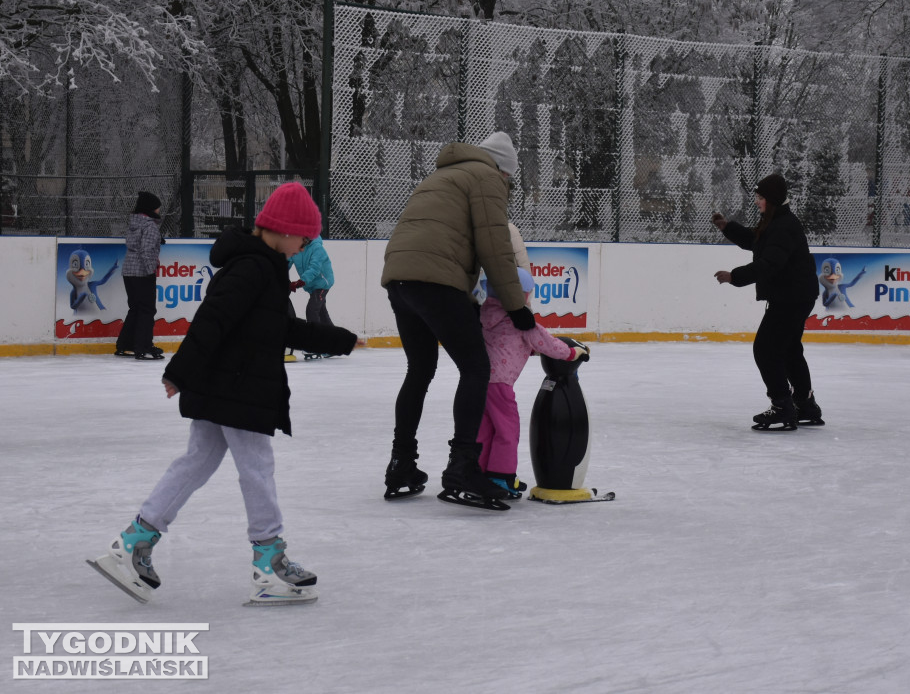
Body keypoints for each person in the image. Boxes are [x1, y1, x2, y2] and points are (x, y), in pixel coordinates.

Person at [88, 182, 359, 605]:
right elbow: (212, 319)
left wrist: (339, 340)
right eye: (302, 238)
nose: (304, 246)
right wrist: (180, 370)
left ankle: (134, 541)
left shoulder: (264, 267)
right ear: (281, 230)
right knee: (256, 467)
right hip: (237, 387)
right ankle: (268, 561)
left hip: (227, 385)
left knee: (197, 461)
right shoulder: (253, 268)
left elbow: (281, 329)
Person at [380, 130, 532, 505]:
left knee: (420, 369)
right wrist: (517, 307)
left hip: (400, 279)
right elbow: (495, 248)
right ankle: (462, 466)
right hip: (434, 282)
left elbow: (438, 238)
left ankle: (402, 463)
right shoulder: (487, 178)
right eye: (510, 179)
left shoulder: (440, 176)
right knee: (477, 369)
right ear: (504, 170)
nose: (508, 185)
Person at [712, 173, 821, 430]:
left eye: (760, 198)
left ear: (771, 199)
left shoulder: (784, 226)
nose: (757, 202)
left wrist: (734, 276)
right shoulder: (776, 222)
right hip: (796, 296)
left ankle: (782, 406)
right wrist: (728, 227)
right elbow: (756, 240)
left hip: (791, 298)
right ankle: (804, 404)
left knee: (766, 349)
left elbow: (769, 263)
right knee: (790, 349)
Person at [477, 267, 589, 498]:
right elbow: (547, 344)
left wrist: (528, 351)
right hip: (501, 385)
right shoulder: (521, 320)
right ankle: (501, 476)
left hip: (479, 381)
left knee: (485, 429)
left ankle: (479, 473)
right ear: (522, 295)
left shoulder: (484, 316)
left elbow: (503, 344)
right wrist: (571, 353)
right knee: (508, 430)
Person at [115, 191, 164, 360]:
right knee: (147, 310)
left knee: (135, 308)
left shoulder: (134, 223)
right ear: (151, 209)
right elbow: (147, 250)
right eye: (157, 208)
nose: (158, 211)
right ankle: (142, 346)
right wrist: (151, 270)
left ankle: (125, 345)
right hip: (143, 272)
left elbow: (138, 243)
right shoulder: (150, 226)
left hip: (129, 271)